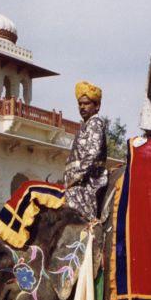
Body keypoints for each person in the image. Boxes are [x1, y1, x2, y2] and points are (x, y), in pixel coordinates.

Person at [63, 81, 108, 220]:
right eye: (80, 104)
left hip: (86, 183)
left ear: (97, 106)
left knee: (79, 222)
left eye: (87, 103)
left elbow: (92, 153)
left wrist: (76, 177)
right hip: (77, 183)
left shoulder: (95, 122)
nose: (82, 107)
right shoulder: (85, 125)